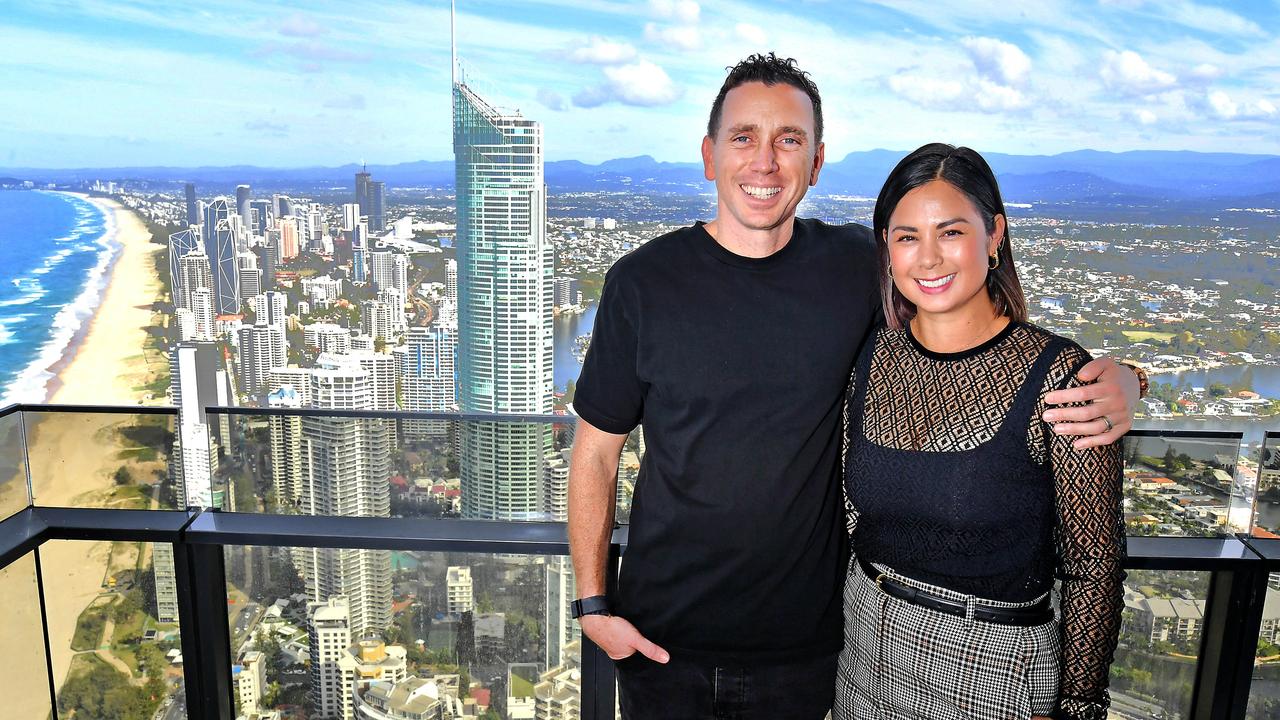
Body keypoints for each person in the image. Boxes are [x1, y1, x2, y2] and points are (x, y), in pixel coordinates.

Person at [567, 53, 1140, 719]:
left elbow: (967, 326)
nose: (764, 163)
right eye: (743, 137)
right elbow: (596, 452)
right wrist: (593, 604)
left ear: (815, 163)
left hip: (816, 654)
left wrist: (1128, 378)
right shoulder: (642, 282)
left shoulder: (852, 268)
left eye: (789, 141)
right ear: (708, 154)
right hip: (662, 645)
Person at [835, 144, 1125, 720]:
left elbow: (1095, 563)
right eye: (907, 237)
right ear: (887, 250)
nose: (929, 258)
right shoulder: (873, 356)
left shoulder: (1059, 375)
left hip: (993, 670)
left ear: (994, 236)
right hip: (862, 646)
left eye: (950, 232)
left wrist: (1078, 704)